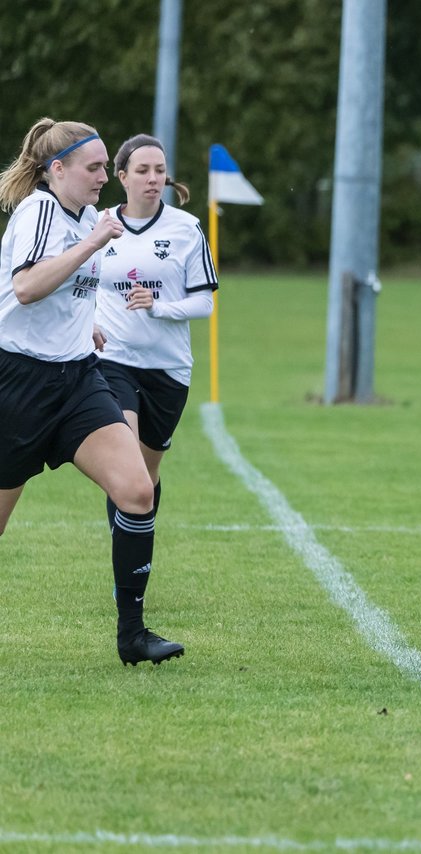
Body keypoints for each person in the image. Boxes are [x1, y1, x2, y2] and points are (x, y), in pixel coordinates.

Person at [0, 118, 183, 666]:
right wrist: (96, 241)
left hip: (78, 376)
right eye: (96, 167)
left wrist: (87, 325)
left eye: (106, 166)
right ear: (58, 170)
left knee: (136, 490)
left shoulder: (85, 216)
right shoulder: (40, 210)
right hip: (18, 384)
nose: (106, 176)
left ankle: (133, 635)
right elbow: (28, 287)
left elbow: (68, 293)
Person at [95, 134, 217, 606]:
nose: (153, 179)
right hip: (112, 362)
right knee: (124, 468)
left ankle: (135, 549)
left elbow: (205, 303)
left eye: (160, 170)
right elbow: (77, 286)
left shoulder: (186, 229)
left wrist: (158, 305)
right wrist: (89, 325)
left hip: (168, 369)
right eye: (142, 170)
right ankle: (124, 570)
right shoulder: (99, 225)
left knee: (146, 477)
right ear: (121, 176)